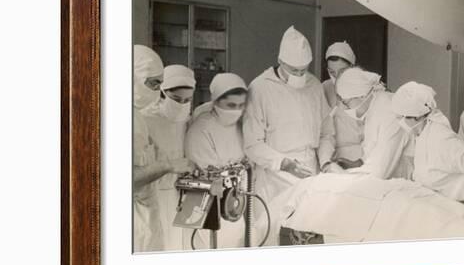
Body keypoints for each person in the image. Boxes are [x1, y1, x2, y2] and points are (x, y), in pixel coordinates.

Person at [243, 26, 339, 225]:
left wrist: (325, 161)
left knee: (307, 231)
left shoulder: (313, 85)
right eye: (294, 70)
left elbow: (326, 132)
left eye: (303, 70)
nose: (299, 75)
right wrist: (285, 163)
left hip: (310, 171)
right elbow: (252, 144)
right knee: (273, 234)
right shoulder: (260, 88)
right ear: (280, 62)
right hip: (275, 175)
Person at [391, 81, 464, 212]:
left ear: (417, 117)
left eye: (401, 117)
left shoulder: (440, 138)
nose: (399, 122)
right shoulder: (421, 134)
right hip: (440, 206)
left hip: (459, 209)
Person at [133, 45, 192, 252]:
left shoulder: (137, 116)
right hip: (149, 198)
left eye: (187, 100)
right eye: (153, 84)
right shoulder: (145, 117)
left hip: (175, 195)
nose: (181, 104)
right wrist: (168, 165)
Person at [185, 73, 249, 249]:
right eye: (230, 105)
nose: (236, 110)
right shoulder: (201, 129)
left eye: (240, 105)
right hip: (209, 204)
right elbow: (206, 171)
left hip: (234, 202)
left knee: (236, 245)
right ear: (215, 101)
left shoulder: (241, 125)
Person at [333, 67, 399, 175]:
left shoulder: (389, 110)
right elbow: (372, 151)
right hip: (381, 175)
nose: (346, 109)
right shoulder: (373, 109)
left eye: (346, 103)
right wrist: (357, 163)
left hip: (399, 178)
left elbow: (381, 169)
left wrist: (349, 174)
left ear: (362, 96)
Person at [321, 42, 363, 161]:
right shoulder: (325, 88)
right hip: (334, 154)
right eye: (332, 72)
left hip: (361, 154)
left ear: (352, 67)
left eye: (342, 71)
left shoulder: (365, 88)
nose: (337, 77)